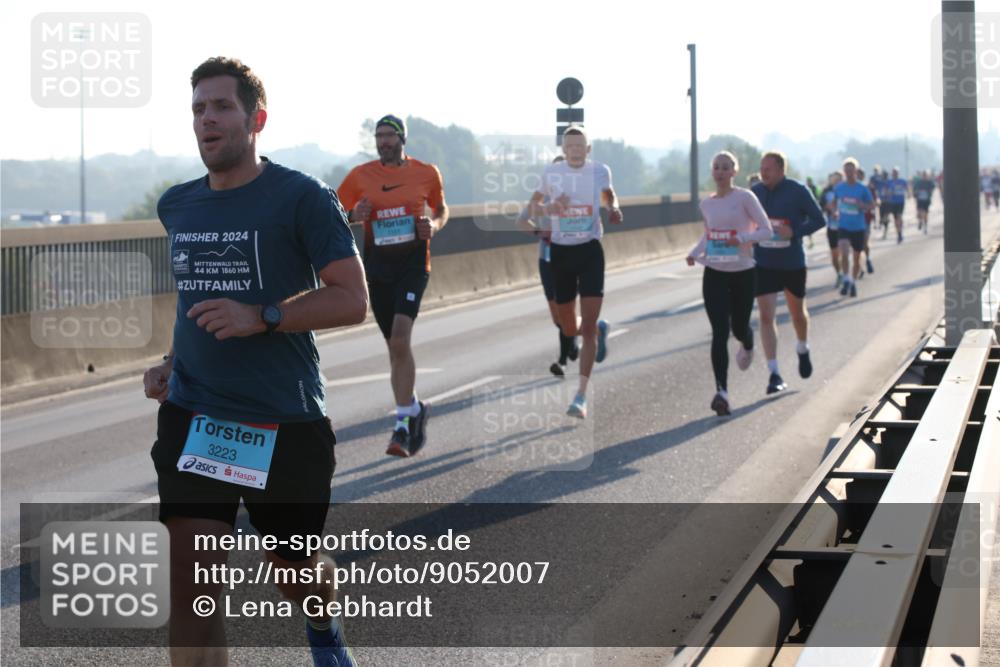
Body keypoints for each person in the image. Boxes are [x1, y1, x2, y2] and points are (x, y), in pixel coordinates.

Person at [143, 57, 367, 667]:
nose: (206, 120)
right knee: (194, 591)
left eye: (220, 107)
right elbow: (197, 298)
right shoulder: (178, 206)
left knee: (294, 571)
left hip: (282, 419)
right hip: (197, 414)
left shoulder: (301, 198)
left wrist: (261, 315)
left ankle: (322, 626)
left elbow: (352, 300)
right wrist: (172, 360)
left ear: (255, 119)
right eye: (197, 108)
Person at [337, 115, 449, 458]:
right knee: (394, 348)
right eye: (379, 136)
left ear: (402, 139)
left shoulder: (426, 173)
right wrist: (355, 214)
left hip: (414, 265)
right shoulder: (361, 176)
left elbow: (442, 209)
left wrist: (434, 224)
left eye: (390, 136)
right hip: (378, 269)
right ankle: (414, 408)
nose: (383, 141)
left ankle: (401, 425)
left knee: (401, 338)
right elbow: (332, 214)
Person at [525, 126, 622, 418]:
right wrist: (551, 207)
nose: (576, 150)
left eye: (581, 145)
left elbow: (609, 196)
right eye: (571, 146)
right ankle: (597, 329)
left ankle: (581, 396)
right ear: (564, 150)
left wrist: (614, 209)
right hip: (561, 254)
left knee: (587, 327)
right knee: (568, 327)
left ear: (588, 149)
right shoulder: (551, 173)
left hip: (590, 250)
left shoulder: (600, 171)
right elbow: (532, 207)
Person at [686, 151, 773, 416]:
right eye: (717, 168)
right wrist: (694, 252)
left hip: (743, 271)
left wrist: (744, 238)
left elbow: (766, 230)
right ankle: (721, 392)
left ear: (734, 172)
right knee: (719, 332)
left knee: (738, 327)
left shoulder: (745, 197)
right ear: (712, 172)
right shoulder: (707, 204)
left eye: (726, 167)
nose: (721, 172)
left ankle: (747, 342)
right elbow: (709, 234)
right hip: (714, 270)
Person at [751, 151, 826, 394]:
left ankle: (802, 348)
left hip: (792, 262)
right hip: (763, 262)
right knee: (765, 317)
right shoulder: (756, 193)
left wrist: (794, 231)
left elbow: (818, 220)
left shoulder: (797, 190)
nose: (764, 173)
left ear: (781, 169)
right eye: (762, 168)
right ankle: (774, 373)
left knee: (797, 315)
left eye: (768, 169)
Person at [518, 155, 579, 377]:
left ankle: (562, 361)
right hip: (546, 260)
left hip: (570, 258)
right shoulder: (542, 201)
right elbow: (521, 220)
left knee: (566, 310)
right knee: (557, 317)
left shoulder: (576, 198)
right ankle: (572, 343)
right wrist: (539, 231)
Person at [833, 158, 875, 298]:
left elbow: (871, 205)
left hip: (858, 227)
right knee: (844, 253)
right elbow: (833, 203)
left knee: (857, 259)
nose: (849, 172)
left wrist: (862, 206)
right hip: (843, 226)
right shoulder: (839, 187)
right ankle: (846, 278)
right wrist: (834, 211)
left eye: (851, 170)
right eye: (847, 170)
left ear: (856, 171)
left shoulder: (862, 188)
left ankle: (853, 281)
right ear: (844, 171)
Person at [820, 171, 844, 287]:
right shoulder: (826, 192)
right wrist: (829, 208)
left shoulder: (847, 189)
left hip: (846, 227)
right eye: (834, 179)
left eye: (838, 179)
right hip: (832, 227)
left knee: (844, 252)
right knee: (835, 255)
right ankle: (839, 274)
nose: (836, 181)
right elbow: (821, 207)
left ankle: (847, 275)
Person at [886, 167, 908, 243]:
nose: (895, 174)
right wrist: (889, 193)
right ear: (892, 174)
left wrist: (909, 194)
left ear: (898, 173)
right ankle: (899, 234)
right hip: (893, 202)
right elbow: (886, 192)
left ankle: (900, 231)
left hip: (901, 202)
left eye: (896, 172)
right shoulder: (889, 182)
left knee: (899, 216)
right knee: (895, 219)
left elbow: (907, 189)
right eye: (893, 172)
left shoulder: (902, 181)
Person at [913, 169, 935, 233]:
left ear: (927, 175)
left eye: (926, 175)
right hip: (919, 199)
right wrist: (916, 193)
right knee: (919, 212)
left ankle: (925, 226)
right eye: (924, 175)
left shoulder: (929, 182)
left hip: (926, 200)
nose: (924, 176)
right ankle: (920, 221)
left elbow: (933, 187)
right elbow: (914, 189)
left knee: (925, 213)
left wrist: (929, 192)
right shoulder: (919, 182)